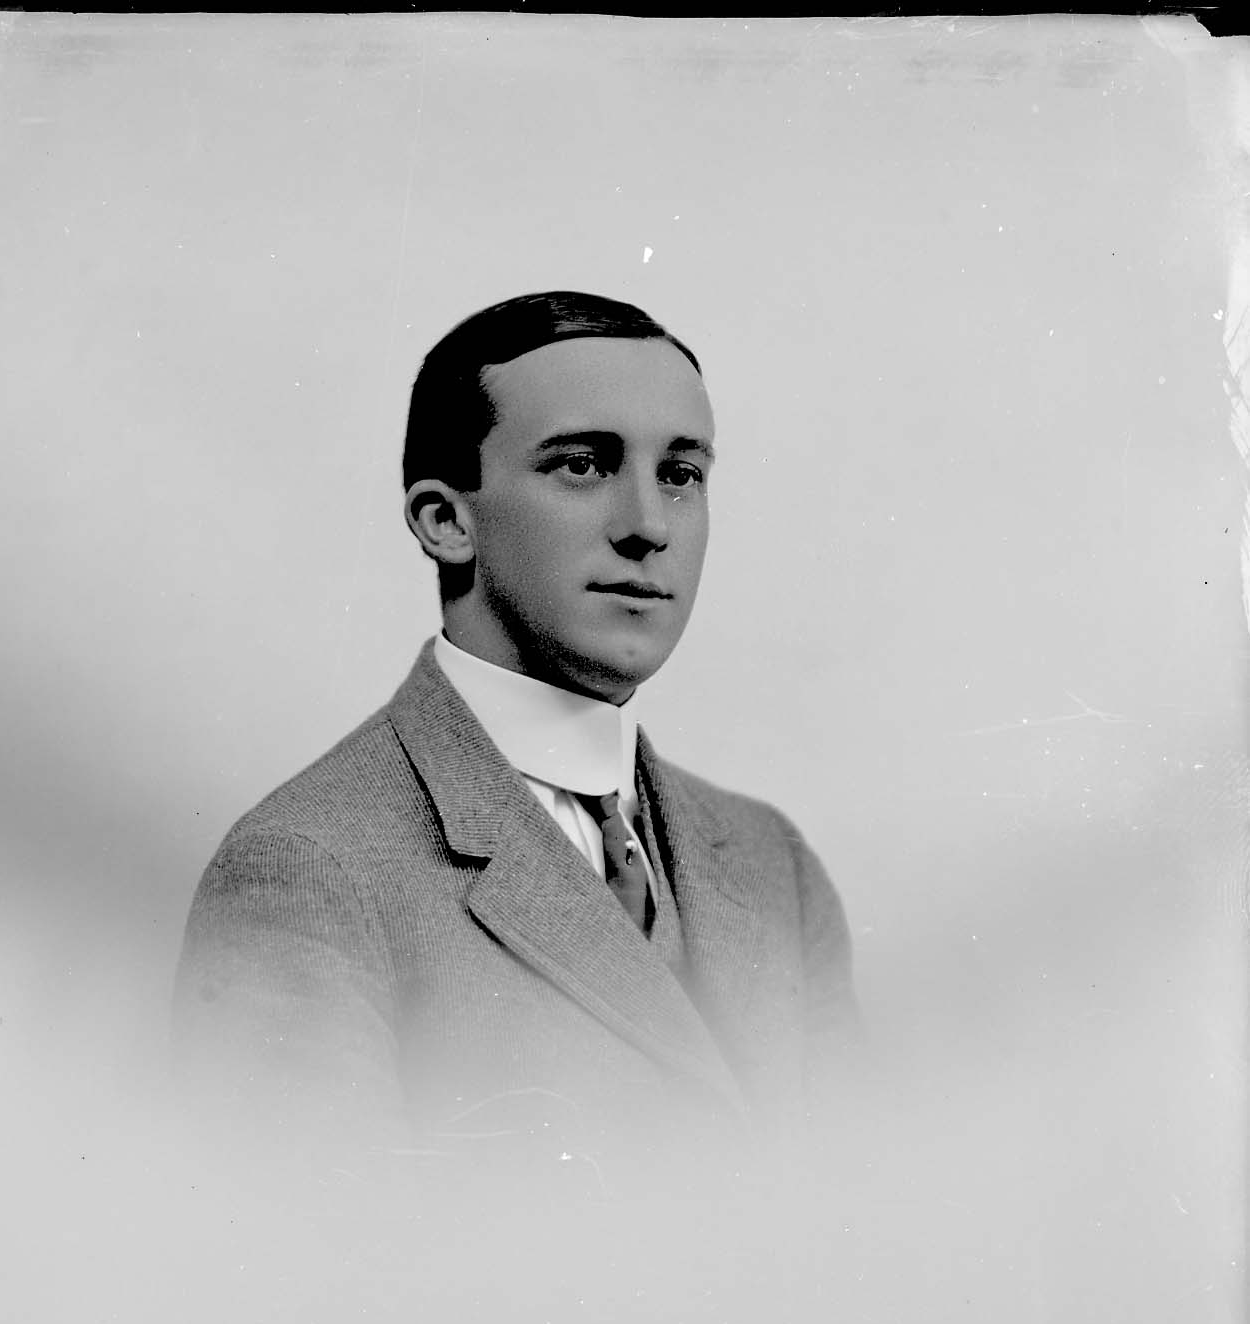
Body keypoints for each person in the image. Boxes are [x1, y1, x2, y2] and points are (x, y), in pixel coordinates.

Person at [173, 291, 859, 1180]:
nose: (648, 526)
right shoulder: (310, 871)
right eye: (582, 464)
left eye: (680, 473)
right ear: (446, 520)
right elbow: (307, 1247)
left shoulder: (773, 864)